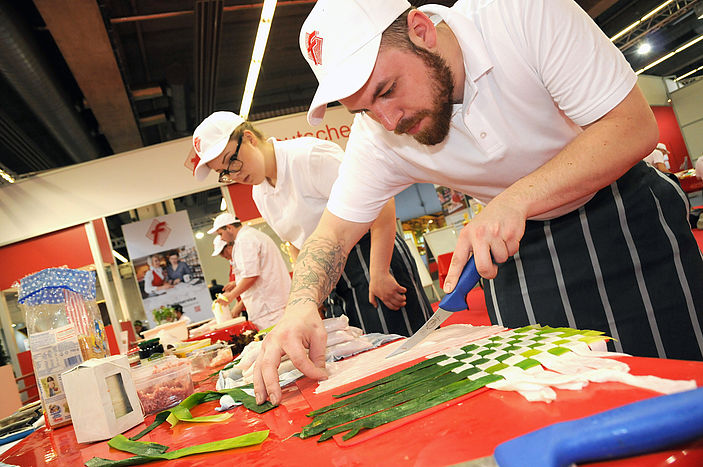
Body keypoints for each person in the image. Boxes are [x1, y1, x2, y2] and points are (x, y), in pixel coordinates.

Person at [252, 0, 703, 406]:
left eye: (387, 90)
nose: (388, 120)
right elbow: (332, 234)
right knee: (558, 402)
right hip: (517, 254)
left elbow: (632, 127)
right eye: (364, 110)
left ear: (421, 30)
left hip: (624, 215)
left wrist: (515, 199)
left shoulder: (523, 15)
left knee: (680, 381)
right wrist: (301, 305)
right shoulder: (380, 137)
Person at [190, 111, 432, 336]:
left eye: (231, 161)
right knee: (361, 354)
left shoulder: (308, 156)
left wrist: (379, 271)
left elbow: (381, 203)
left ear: (250, 139)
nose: (234, 174)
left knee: (405, 344)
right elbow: (296, 246)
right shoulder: (260, 193)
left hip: (372, 253)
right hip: (328, 273)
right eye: (224, 172)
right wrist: (310, 297)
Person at [208, 213, 290, 330]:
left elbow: (251, 276)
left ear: (230, 228)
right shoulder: (251, 236)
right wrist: (236, 284)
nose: (221, 238)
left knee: (282, 343)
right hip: (272, 306)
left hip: (269, 310)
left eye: (221, 233)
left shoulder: (245, 240)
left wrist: (231, 296)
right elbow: (258, 272)